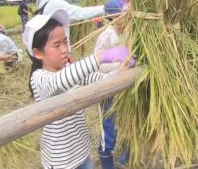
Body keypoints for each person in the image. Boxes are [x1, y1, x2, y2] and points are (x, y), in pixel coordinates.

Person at [23, 9, 133, 169]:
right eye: (56, 45)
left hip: (82, 152)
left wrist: (122, 70)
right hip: (61, 161)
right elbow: (58, 82)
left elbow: (100, 80)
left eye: (65, 42)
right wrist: (102, 56)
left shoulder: (69, 68)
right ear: (37, 53)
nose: (64, 49)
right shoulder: (39, 78)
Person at [95, 0, 130, 169]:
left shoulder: (127, 33)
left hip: (125, 88)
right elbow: (97, 66)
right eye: (124, 15)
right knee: (108, 128)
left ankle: (126, 157)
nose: (126, 18)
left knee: (127, 122)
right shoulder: (105, 36)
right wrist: (120, 65)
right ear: (114, 17)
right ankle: (107, 161)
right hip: (109, 88)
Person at [38, 0, 106, 54]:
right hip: (58, 55)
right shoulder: (55, 3)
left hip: (51, 51)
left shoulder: (44, 1)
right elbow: (80, 13)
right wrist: (105, 8)